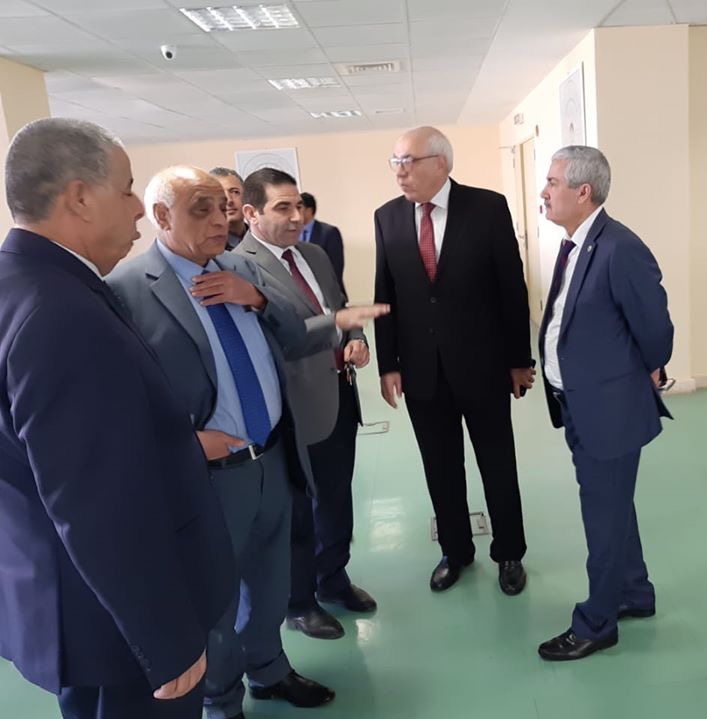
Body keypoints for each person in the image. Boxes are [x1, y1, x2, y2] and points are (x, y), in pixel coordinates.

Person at [107, 166, 385, 719]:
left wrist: (258, 299)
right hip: (210, 475)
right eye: (201, 209)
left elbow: (292, 335)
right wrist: (182, 443)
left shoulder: (238, 267)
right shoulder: (128, 290)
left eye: (222, 207)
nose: (220, 219)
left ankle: (270, 670)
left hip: (273, 455)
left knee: (271, 580)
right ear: (161, 216)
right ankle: (221, 700)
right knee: (216, 598)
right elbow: (117, 399)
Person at [0, 118, 236, 719]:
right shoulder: (60, 314)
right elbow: (94, 499)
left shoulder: (22, 283)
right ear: (79, 197)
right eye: (128, 188)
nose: (137, 208)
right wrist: (164, 639)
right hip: (119, 626)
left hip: (71, 599)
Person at [374, 126, 535, 594]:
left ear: (441, 163)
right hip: (422, 370)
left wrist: (519, 360)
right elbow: (386, 294)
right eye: (395, 162)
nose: (400, 172)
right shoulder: (387, 217)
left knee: (497, 463)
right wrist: (388, 364)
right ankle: (455, 550)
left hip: (483, 365)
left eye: (409, 161)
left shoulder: (486, 208)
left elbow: (511, 288)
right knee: (440, 467)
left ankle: (509, 552)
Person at [535, 145, 673, 662]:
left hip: (608, 407)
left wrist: (650, 367)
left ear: (583, 191)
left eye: (552, 183)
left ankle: (597, 622)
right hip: (578, 402)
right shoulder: (577, 244)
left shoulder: (619, 248)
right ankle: (634, 592)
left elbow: (655, 328)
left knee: (603, 514)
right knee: (613, 505)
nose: (544, 192)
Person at [234, 169, 375, 641]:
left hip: (339, 393)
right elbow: (278, 336)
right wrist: (337, 322)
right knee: (298, 511)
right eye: (283, 208)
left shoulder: (314, 254)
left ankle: (333, 578)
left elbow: (340, 306)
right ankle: (300, 602)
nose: (297, 217)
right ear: (251, 213)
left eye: (298, 206)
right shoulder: (240, 268)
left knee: (337, 497)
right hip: (293, 408)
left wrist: (355, 337)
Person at [300, 191, 346, 296]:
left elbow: (336, 267)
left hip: (328, 294)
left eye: (299, 208)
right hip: (303, 295)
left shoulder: (329, 232)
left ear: (309, 210)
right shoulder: (293, 234)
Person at [209, 167, 247, 250]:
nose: (229, 200)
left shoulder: (262, 236)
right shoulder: (207, 248)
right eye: (220, 193)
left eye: (235, 192)